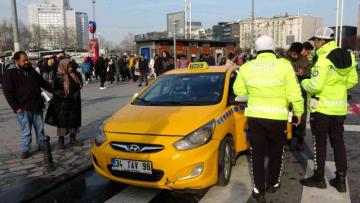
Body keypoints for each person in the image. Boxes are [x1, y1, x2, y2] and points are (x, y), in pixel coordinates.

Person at [233, 36, 304, 202]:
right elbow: (294, 92)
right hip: (277, 117)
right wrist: (298, 112)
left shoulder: (247, 67)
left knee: (256, 154)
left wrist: (253, 93)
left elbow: (238, 90)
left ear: (256, 49)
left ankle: (258, 189)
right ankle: (273, 183)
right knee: (276, 152)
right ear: (273, 48)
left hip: (255, 117)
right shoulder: (284, 65)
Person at [300, 27, 358, 192]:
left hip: (322, 108)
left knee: (320, 143)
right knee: (338, 143)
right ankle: (340, 179)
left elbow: (315, 85)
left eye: (315, 41)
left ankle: (319, 178)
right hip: (339, 108)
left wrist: (304, 82)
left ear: (321, 41)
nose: (314, 44)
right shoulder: (348, 56)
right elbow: (353, 79)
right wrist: (338, 87)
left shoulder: (324, 59)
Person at [2, 51, 53, 159]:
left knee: (40, 129)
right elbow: (8, 93)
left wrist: (54, 90)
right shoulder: (9, 73)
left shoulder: (31, 70)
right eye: (23, 60)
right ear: (16, 61)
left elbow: (42, 82)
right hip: (23, 108)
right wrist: (16, 107)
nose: (26, 62)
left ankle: (41, 144)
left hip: (36, 105)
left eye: (27, 59)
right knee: (26, 131)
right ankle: (25, 149)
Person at [45, 58, 83, 149]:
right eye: (68, 66)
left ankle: (73, 139)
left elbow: (80, 85)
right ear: (63, 66)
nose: (70, 68)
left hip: (74, 102)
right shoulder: (58, 77)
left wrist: (75, 93)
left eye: (71, 66)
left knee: (74, 121)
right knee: (62, 122)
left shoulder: (76, 74)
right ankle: (61, 140)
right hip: (62, 103)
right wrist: (65, 95)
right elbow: (55, 91)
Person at [285, 42, 310, 151]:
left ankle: (300, 140)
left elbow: (306, 72)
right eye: (293, 54)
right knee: (288, 117)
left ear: (301, 53)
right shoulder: (284, 60)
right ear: (290, 51)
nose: (294, 56)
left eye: (296, 55)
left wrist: (303, 72)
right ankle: (287, 140)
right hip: (287, 92)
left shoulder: (304, 60)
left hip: (301, 92)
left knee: (301, 117)